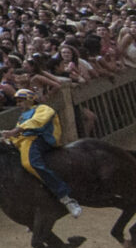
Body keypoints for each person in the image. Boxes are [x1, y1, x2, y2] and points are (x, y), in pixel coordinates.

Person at [11, 88, 82, 217]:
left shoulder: (43, 109)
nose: (18, 104)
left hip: (40, 139)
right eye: (17, 102)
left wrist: (16, 130)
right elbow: (18, 134)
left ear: (30, 99)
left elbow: (37, 123)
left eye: (21, 101)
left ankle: (65, 197)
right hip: (26, 142)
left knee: (30, 164)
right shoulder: (21, 117)